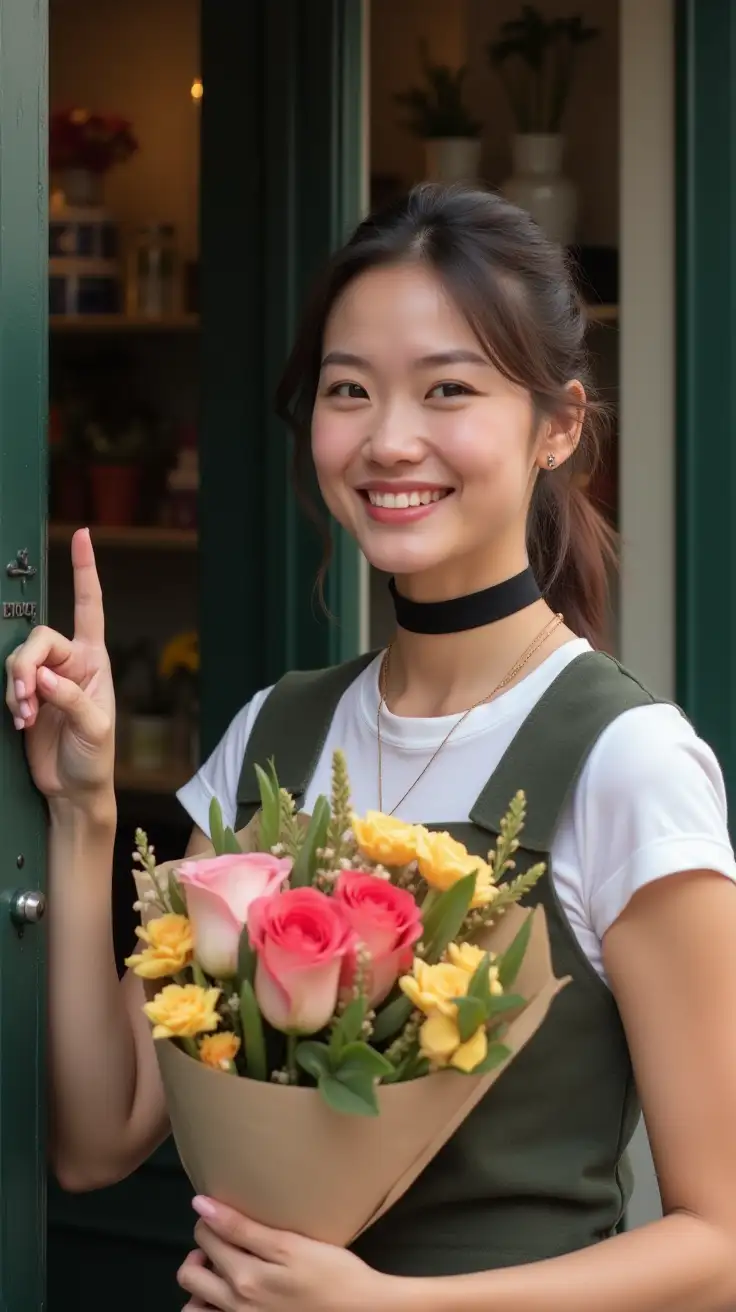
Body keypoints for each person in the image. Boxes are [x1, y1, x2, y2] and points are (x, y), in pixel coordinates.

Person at [9, 183, 736, 1311]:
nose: (388, 438)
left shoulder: (625, 759)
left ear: (558, 425)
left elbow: (718, 1244)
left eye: (448, 388)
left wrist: (386, 1307)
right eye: (349, 390)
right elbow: (98, 1140)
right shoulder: (271, 732)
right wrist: (84, 810)